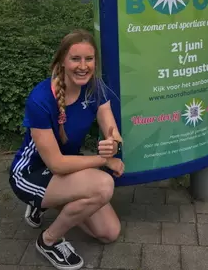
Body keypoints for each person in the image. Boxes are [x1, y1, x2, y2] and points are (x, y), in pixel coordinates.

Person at [8, 29, 124, 270]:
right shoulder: (40, 99)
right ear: (62, 60)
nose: (83, 66)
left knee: (109, 232)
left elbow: (112, 130)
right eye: (75, 59)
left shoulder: (95, 88)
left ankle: (46, 202)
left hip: (66, 168)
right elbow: (56, 164)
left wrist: (113, 143)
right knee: (103, 185)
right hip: (31, 173)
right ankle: (49, 241)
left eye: (89, 59)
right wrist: (103, 161)